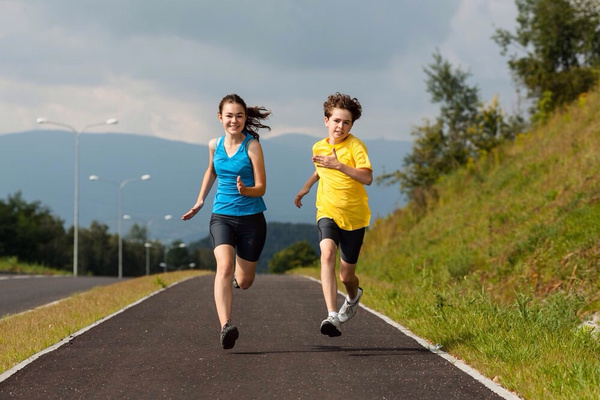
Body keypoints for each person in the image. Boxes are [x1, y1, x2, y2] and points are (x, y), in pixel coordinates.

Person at [182, 94, 270, 350]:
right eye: (229, 116)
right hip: (222, 216)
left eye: (239, 116)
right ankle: (226, 325)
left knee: (244, 281)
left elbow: (262, 187)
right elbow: (211, 170)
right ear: (220, 117)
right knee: (224, 267)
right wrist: (200, 201)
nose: (234, 120)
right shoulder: (214, 144)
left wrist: (247, 191)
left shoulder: (252, 146)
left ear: (245, 118)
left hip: (252, 219)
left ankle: (236, 282)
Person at [295, 92, 372, 337]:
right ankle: (331, 315)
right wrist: (306, 188)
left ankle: (352, 296)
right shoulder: (318, 146)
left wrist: (339, 165)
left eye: (346, 122)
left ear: (352, 125)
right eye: (336, 120)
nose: (340, 126)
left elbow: (367, 177)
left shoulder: (356, 146)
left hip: (355, 217)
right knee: (327, 253)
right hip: (327, 211)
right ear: (326, 120)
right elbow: (320, 169)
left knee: (347, 275)